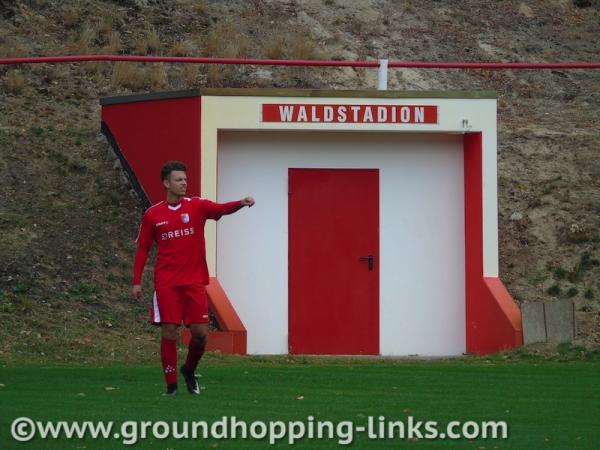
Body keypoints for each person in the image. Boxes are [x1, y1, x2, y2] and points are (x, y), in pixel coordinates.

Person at [131, 160, 254, 395]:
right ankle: (171, 386)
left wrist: (240, 203)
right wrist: (136, 282)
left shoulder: (197, 206)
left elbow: (219, 209)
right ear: (166, 183)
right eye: (178, 179)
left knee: (200, 335)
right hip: (167, 282)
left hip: (195, 281)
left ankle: (188, 369)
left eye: (185, 179)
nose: (184, 183)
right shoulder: (153, 214)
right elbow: (143, 248)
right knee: (169, 331)